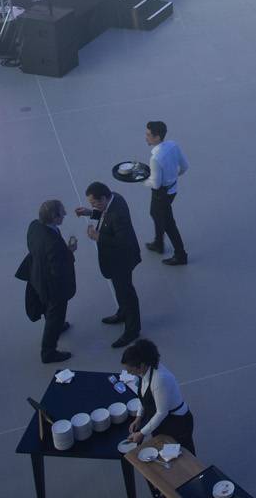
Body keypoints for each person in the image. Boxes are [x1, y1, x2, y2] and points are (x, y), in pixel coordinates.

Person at [74, 181, 142, 348]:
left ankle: (132, 330)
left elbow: (121, 240)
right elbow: (105, 214)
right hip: (115, 260)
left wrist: (97, 237)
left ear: (104, 198)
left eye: (94, 203)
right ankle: (122, 313)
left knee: (126, 293)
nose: (93, 205)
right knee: (120, 289)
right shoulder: (115, 198)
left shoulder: (117, 214)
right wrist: (90, 213)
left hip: (121, 261)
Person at [20, 199, 77, 363]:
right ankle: (48, 352)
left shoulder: (34, 226)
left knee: (49, 311)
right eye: (62, 212)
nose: (65, 214)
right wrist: (69, 252)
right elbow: (58, 271)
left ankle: (57, 327)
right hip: (52, 287)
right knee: (55, 316)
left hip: (35, 275)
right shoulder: (53, 244)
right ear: (53, 216)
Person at [122, 339, 196, 455]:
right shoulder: (144, 370)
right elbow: (143, 395)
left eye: (130, 370)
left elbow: (162, 412)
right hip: (164, 422)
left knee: (185, 457)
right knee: (167, 456)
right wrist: (138, 417)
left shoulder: (160, 379)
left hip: (177, 424)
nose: (129, 373)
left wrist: (142, 433)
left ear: (141, 365)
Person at [143, 121, 190, 267]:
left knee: (169, 224)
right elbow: (184, 166)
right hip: (171, 190)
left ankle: (180, 255)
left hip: (160, 194)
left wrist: (142, 180)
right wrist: (172, 177)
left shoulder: (155, 159)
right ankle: (158, 242)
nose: (146, 137)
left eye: (149, 134)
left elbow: (155, 184)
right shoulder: (173, 145)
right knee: (155, 213)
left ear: (157, 137)